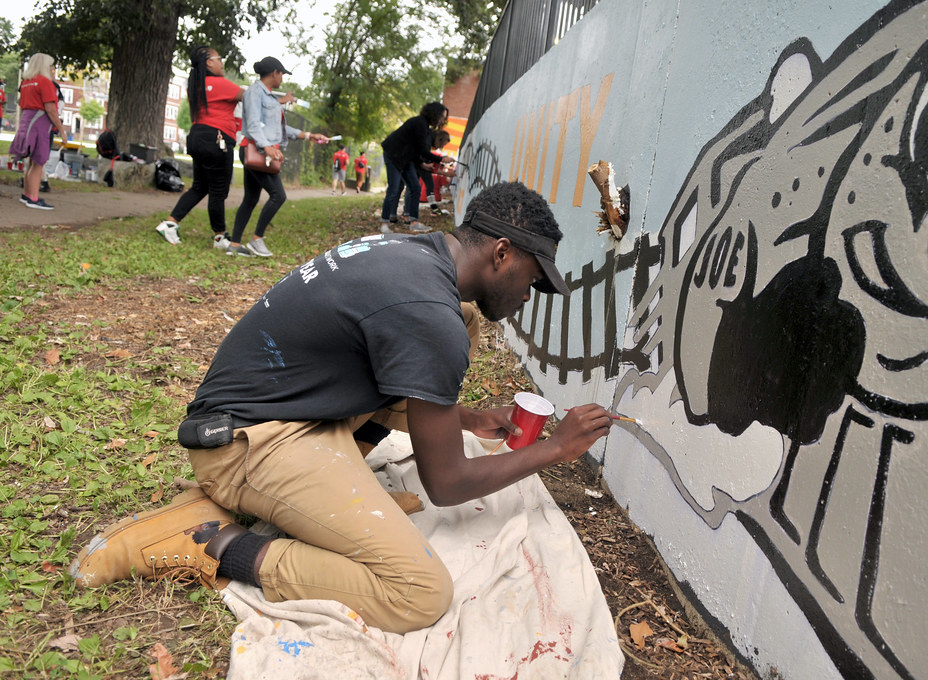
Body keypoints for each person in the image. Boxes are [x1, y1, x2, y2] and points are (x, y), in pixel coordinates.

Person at [70, 181, 612, 635]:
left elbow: (397, 359)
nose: (529, 295)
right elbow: (446, 484)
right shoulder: (429, 315)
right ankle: (209, 542)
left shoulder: (415, 254)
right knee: (419, 593)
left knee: (462, 322)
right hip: (247, 445)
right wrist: (555, 450)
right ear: (501, 254)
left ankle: (340, 480)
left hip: (286, 409)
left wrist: (468, 418)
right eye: (533, 281)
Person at [228, 57, 327, 257]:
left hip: (260, 151)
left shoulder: (270, 97)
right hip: (257, 151)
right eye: (282, 74)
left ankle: (234, 245)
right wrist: (267, 147)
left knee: (250, 198)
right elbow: (254, 124)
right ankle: (257, 239)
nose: (282, 78)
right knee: (278, 195)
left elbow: (281, 128)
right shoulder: (255, 92)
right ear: (275, 73)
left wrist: (309, 136)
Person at [154, 46, 243, 247]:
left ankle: (170, 223)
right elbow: (251, 98)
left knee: (200, 186)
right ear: (209, 63)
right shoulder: (221, 84)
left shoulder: (195, 85)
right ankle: (220, 236)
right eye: (219, 59)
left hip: (197, 136)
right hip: (217, 138)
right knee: (218, 191)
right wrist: (281, 100)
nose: (222, 63)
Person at [9, 53, 67, 210]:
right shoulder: (45, 82)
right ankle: (33, 198)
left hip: (27, 122)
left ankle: (27, 194)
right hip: (40, 124)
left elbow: (21, 102)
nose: (52, 68)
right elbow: (51, 109)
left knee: (31, 161)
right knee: (39, 161)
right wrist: (61, 130)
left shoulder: (26, 82)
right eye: (50, 65)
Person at [380, 101, 448, 233]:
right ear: (435, 114)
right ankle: (384, 222)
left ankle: (414, 221)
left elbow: (415, 150)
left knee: (415, 187)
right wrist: (441, 159)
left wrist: (422, 164)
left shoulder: (424, 126)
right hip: (393, 155)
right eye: (442, 117)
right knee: (394, 188)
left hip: (406, 157)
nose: (443, 120)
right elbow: (422, 151)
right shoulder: (419, 123)